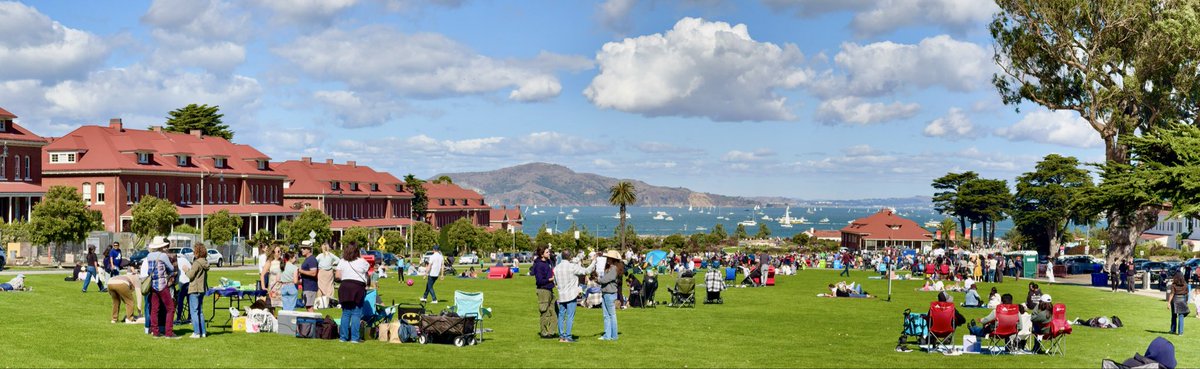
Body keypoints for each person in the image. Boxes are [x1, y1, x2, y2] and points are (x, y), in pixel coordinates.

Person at [554, 250, 595, 342]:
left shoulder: (556, 268)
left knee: (561, 315)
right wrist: (594, 262)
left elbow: (555, 282)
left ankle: (561, 336)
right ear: (569, 257)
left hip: (561, 295)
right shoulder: (572, 267)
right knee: (570, 316)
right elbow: (586, 271)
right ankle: (568, 336)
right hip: (571, 295)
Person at [144, 237, 178, 338]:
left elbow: (148, 271)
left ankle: (155, 332)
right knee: (170, 308)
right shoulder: (163, 255)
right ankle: (168, 332)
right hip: (162, 284)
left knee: (154, 309)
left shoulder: (149, 255)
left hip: (153, 285)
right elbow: (171, 268)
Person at [336, 242, 370, 342]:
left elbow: (337, 276)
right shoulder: (362, 261)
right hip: (357, 287)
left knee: (345, 313)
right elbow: (368, 272)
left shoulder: (342, 261)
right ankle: (354, 338)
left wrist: (346, 276)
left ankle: (343, 337)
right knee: (356, 313)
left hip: (345, 286)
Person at [532, 246, 557, 339]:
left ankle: (551, 331)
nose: (549, 253)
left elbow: (553, 264)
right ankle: (544, 332)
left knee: (554, 312)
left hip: (550, 290)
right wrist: (550, 279)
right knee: (544, 312)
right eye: (547, 252)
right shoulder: (539, 265)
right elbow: (539, 280)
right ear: (542, 254)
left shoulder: (548, 262)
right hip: (543, 290)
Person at [597, 250, 623, 341]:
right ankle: (608, 335)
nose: (607, 259)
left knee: (611, 315)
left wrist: (598, 280)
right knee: (606, 315)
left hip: (610, 293)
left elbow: (606, 279)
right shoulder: (611, 267)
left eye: (609, 258)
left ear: (613, 259)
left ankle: (613, 335)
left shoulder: (613, 268)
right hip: (606, 293)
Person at [185, 243, 209, 338]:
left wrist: (186, 270)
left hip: (194, 289)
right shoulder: (205, 262)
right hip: (202, 289)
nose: (193, 252)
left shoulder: (197, 263)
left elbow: (190, 275)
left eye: (194, 250)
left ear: (197, 251)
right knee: (200, 311)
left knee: (194, 311)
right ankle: (203, 332)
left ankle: (196, 332)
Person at [298, 243, 319, 313]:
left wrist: (301, 271)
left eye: (304, 248)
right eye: (302, 248)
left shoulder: (312, 259)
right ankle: (310, 323)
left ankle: (313, 323)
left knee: (309, 307)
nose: (302, 250)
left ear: (309, 250)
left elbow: (313, 273)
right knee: (308, 307)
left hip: (310, 287)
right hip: (306, 286)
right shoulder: (307, 259)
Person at [173, 249, 192, 325]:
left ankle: (178, 318)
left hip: (183, 283)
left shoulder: (176, 262)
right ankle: (190, 318)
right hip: (190, 282)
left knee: (180, 301)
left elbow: (177, 275)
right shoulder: (185, 260)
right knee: (189, 301)